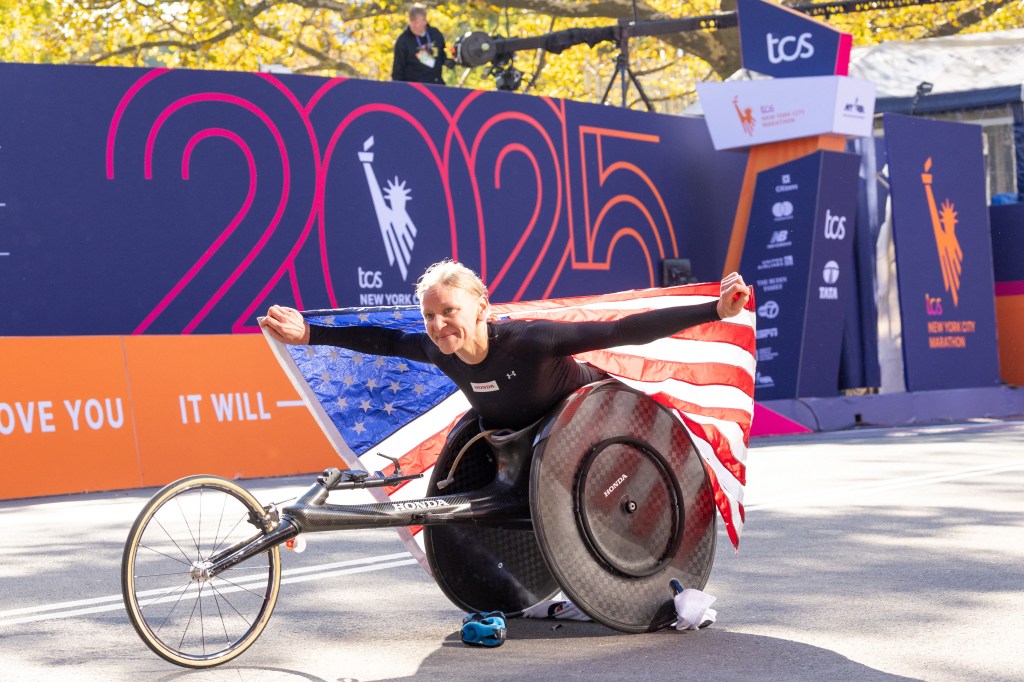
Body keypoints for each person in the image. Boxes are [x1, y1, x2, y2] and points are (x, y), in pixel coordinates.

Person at [260, 261, 751, 431]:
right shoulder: (440, 353)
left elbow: (624, 329)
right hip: (517, 437)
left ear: (481, 308)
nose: (437, 325)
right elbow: (384, 339)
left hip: (592, 424)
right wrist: (310, 333)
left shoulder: (533, 340)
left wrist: (714, 311)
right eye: (430, 316)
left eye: (448, 311)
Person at [392, 3, 446, 85]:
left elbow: (441, 56)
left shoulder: (435, 34)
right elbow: (398, 70)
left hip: (435, 84)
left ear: (424, 21)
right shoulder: (403, 40)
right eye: (411, 22)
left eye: (416, 22)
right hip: (413, 88)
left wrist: (447, 60)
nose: (413, 25)